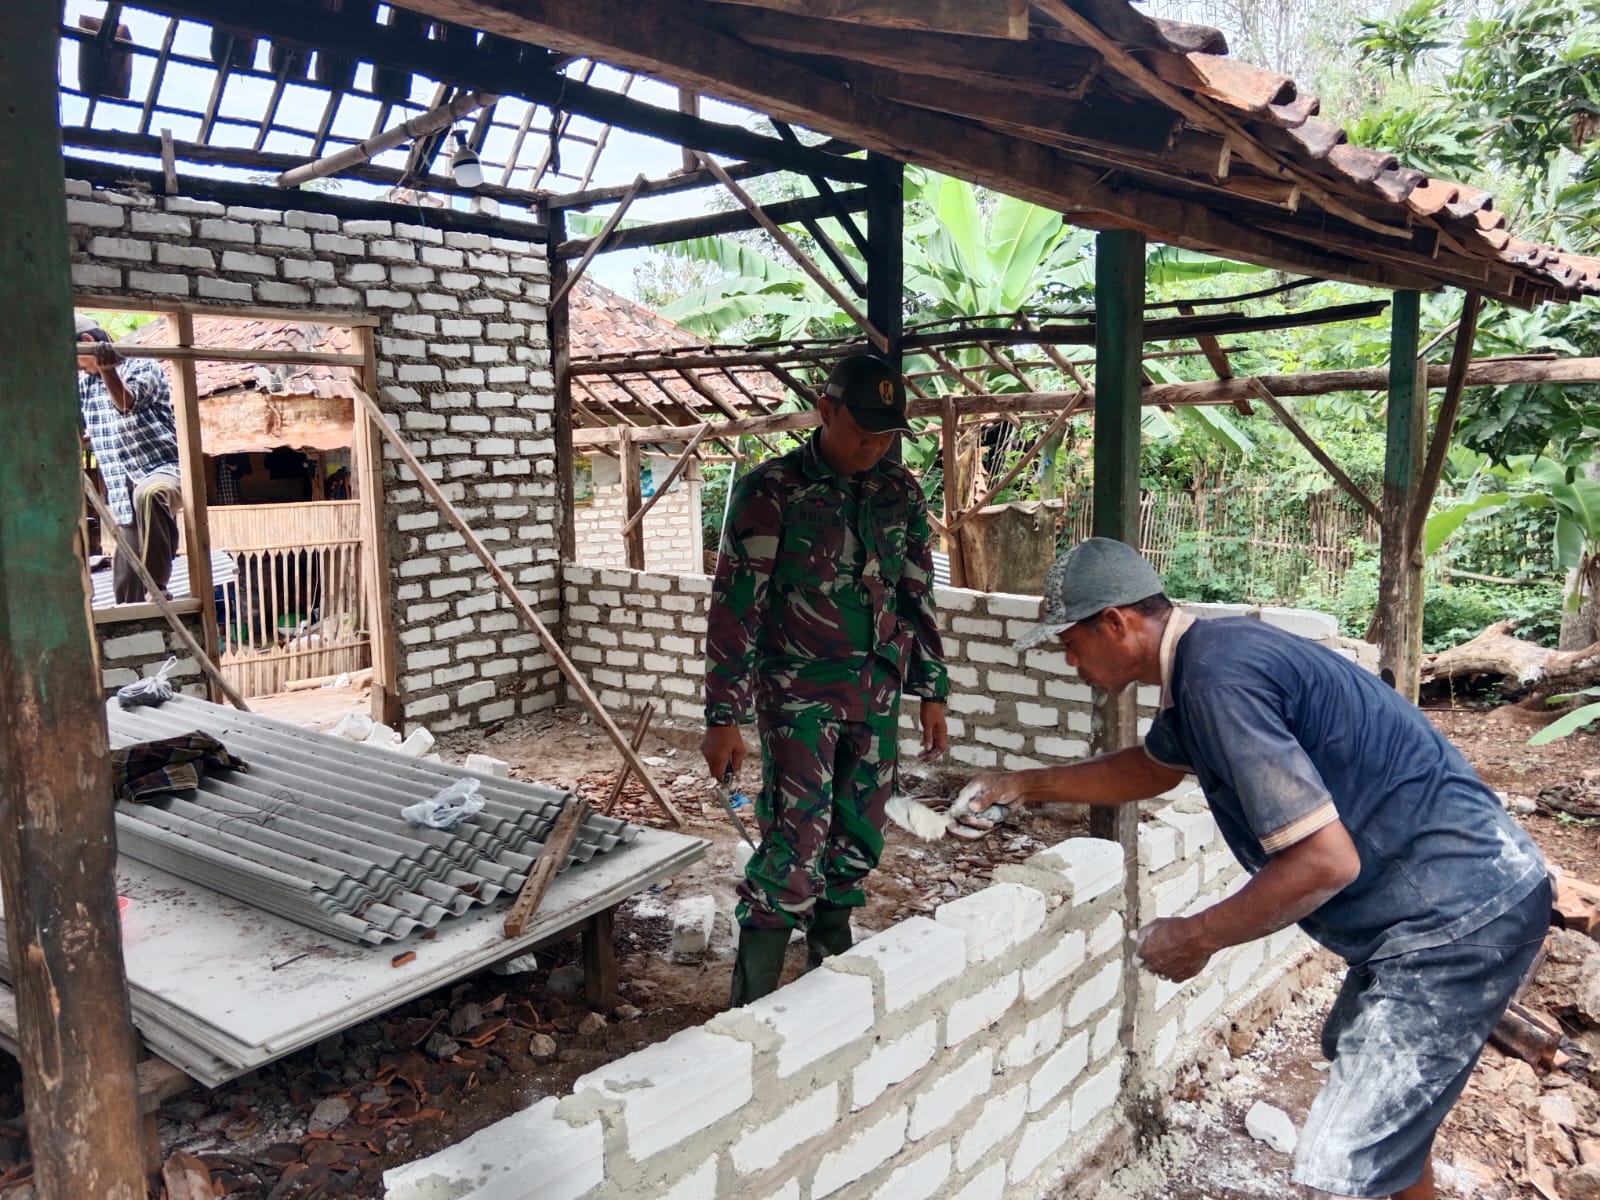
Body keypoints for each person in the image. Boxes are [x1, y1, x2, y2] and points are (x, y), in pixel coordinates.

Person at [962, 537, 1550, 1200]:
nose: (1070, 661)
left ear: (1116, 623)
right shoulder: (1208, 664)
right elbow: (1151, 770)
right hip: (1460, 894)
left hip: (1458, 915)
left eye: (1070, 643)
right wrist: (1025, 784)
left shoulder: (1217, 679)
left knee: (1343, 1162)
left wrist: (1198, 935)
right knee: (1383, 1108)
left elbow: (1324, 862)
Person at [702, 353, 951, 1006]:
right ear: (826, 409)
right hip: (798, 702)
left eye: (886, 434)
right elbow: (735, 605)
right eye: (862, 430)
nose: (874, 446)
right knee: (794, 846)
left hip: (875, 695)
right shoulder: (771, 491)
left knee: (858, 841)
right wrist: (721, 717)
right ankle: (750, 1003)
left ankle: (827, 981)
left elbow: (916, 592)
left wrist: (933, 692)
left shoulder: (900, 492)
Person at [76, 315, 182, 604]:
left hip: (162, 471)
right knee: (125, 591)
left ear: (87, 344)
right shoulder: (84, 386)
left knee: (149, 495)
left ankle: (158, 588)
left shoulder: (143, 365)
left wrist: (108, 370)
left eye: (75, 358)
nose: (75, 366)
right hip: (123, 498)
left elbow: (126, 403)